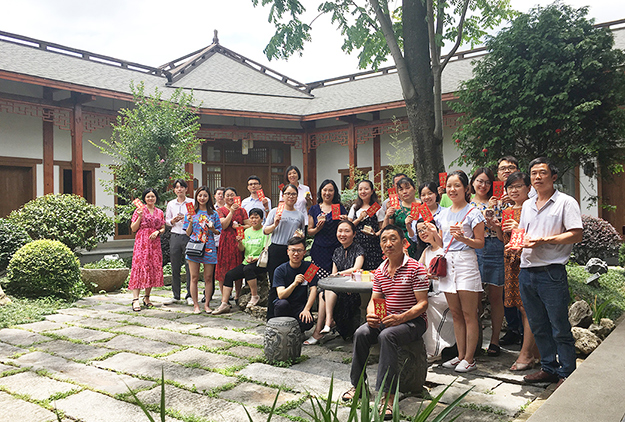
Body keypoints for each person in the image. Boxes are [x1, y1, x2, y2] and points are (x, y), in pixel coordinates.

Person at [341, 225, 429, 420]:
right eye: (384, 240)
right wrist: (371, 315)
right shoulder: (380, 270)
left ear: (403, 243)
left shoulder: (416, 268)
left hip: (413, 321)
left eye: (393, 239)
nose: (388, 244)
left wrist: (401, 318)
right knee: (361, 333)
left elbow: (423, 304)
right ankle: (358, 386)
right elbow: (375, 300)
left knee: (387, 336)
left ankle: (387, 396)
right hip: (387, 318)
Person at [513, 157, 582, 386]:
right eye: (533, 173)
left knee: (559, 325)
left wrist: (545, 240)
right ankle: (549, 368)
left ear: (554, 176)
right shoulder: (527, 205)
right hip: (527, 271)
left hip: (551, 272)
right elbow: (522, 233)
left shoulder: (566, 202)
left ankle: (567, 372)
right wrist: (515, 244)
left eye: (542, 173)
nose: (537, 177)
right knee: (538, 324)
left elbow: (576, 234)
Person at [433, 170, 485, 373]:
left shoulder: (473, 212)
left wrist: (463, 238)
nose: (452, 189)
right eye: (449, 186)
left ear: (466, 188)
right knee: (455, 313)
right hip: (448, 262)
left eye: (457, 185)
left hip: (466, 262)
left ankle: (470, 358)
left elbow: (480, 243)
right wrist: (431, 234)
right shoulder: (443, 213)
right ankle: (460, 355)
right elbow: (441, 242)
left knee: (469, 313)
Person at [497, 171, 540, 371]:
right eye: (510, 187)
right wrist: (496, 228)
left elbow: (536, 236)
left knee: (527, 307)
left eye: (518, 186)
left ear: (528, 188)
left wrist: (517, 228)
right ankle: (537, 352)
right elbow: (504, 239)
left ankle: (527, 353)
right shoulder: (507, 210)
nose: (513, 190)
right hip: (511, 262)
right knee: (521, 307)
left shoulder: (532, 209)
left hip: (527, 261)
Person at [305, 220, 364, 345]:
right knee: (323, 292)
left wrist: (339, 274)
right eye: (340, 231)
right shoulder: (337, 251)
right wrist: (336, 275)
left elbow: (356, 269)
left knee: (324, 293)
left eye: (347, 231)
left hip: (353, 290)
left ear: (354, 234)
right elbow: (333, 275)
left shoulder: (359, 249)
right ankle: (326, 323)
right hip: (338, 290)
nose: (342, 234)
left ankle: (323, 326)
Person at [469, 168, 505, 358]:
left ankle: (495, 340)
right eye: (480, 181)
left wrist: (495, 220)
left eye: (487, 182)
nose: (483, 185)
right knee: (473, 298)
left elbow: (503, 235)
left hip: (495, 248)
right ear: (473, 182)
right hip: (473, 249)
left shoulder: (499, 203)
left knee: (495, 297)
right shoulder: (467, 204)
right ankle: (474, 342)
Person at [264, 184, 307, 319]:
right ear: (283, 196)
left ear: (297, 197)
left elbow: (303, 234)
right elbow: (265, 231)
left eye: (293, 194)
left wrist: (300, 236)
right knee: (275, 283)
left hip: (293, 251)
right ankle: (271, 317)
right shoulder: (275, 211)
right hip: (276, 249)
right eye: (288, 193)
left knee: (291, 281)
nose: (290, 196)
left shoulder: (300, 215)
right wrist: (275, 224)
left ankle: (290, 314)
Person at [213, 208, 268, 315]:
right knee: (229, 275)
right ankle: (224, 303)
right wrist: (239, 243)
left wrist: (256, 258)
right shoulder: (246, 231)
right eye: (252, 218)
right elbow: (242, 249)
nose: (254, 220)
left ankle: (254, 296)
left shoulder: (265, 232)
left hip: (260, 262)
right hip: (247, 261)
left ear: (262, 219)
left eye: (256, 217)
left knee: (248, 269)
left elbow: (266, 249)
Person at [494, 157, 524, 346]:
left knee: (523, 295)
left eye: (510, 167)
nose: (506, 171)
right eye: (502, 168)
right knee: (507, 293)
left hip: (525, 254)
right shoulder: (495, 193)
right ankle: (514, 329)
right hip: (503, 251)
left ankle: (527, 335)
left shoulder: (529, 202)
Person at [417, 219, 455, 362]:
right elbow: (417, 271)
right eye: (419, 231)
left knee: (427, 304)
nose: (422, 232)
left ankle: (434, 350)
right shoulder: (426, 251)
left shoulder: (445, 248)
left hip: (448, 293)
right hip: (435, 293)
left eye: (425, 228)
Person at [184, 186, 222, 314]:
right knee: (194, 277)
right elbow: (187, 233)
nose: (202, 198)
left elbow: (218, 231)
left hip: (209, 246)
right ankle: (196, 305)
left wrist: (212, 229)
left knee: (208, 277)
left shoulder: (214, 213)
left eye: (205, 195)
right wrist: (190, 222)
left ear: (209, 197)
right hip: (194, 246)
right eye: (200, 195)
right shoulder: (191, 212)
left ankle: (207, 304)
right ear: (196, 197)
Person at [129, 188, 166, 312]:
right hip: (142, 242)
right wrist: (139, 217)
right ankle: (135, 299)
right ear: (144, 198)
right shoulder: (139, 210)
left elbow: (163, 227)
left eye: (153, 196)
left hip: (154, 243)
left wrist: (157, 232)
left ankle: (147, 297)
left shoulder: (159, 212)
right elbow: (133, 228)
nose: (150, 198)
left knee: (151, 267)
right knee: (139, 266)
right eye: (148, 196)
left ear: (156, 198)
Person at [272, 236, 319, 332]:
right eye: (293, 250)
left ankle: (298, 332)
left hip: (300, 305)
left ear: (304, 252)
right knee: (282, 304)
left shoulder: (310, 268)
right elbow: (281, 295)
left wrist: (307, 309)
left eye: (299, 250)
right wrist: (295, 283)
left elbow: (313, 289)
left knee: (307, 323)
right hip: (285, 304)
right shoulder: (280, 270)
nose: (296, 254)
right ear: (287, 252)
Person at [216, 187, 251, 302]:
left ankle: (237, 295)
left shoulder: (242, 211)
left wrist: (240, 227)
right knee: (223, 269)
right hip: (226, 241)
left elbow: (249, 225)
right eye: (228, 195)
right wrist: (231, 211)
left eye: (232, 195)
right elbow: (224, 225)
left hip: (239, 241)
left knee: (237, 266)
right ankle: (225, 297)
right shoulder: (220, 210)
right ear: (224, 197)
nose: (230, 197)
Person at [308, 179, 347, 274]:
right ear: (321, 191)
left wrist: (345, 220)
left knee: (335, 276)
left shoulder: (339, 208)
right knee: (313, 276)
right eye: (325, 190)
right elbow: (309, 232)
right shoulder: (314, 209)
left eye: (330, 190)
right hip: (318, 249)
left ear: (335, 192)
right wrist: (317, 229)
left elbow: (346, 228)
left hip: (336, 248)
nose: (327, 193)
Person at [165, 179, 194, 303]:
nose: (179, 189)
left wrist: (187, 219)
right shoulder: (171, 204)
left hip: (188, 236)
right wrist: (173, 221)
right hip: (175, 235)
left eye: (181, 187)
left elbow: (195, 218)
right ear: (174, 190)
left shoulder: (191, 202)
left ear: (186, 189)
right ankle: (176, 295)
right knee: (175, 266)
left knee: (190, 266)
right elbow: (167, 220)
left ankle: (190, 295)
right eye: (177, 187)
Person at [348, 180, 384, 271]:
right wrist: (359, 219)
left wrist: (375, 234)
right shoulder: (355, 207)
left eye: (366, 189)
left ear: (372, 191)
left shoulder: (377, 208)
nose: (363, 191)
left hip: (373, 247)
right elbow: (348, 226)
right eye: (360, 189)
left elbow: (382, 228)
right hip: (357, 245)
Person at [383, 176, 420, 258]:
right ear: (398, 193)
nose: (405, 192)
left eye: (407, 188)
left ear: (414, 188)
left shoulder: (423, 206)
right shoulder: (395, 209)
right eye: (401, 189)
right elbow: (386, 230)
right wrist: (387, 216)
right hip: (401, 246)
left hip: (420, 245)